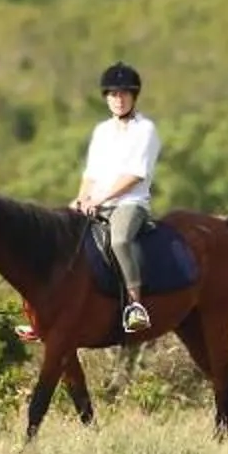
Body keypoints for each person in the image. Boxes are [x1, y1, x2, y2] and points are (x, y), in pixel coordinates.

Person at [72, 61, 160, 335]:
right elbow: (91, 172)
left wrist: (99, 199)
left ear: (134, 96)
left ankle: (135, 305)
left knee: (120, 240)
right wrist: (80, 199)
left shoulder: (145, 130)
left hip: (130, 204)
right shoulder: (101, 131)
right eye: (113, 94)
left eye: (123, 94)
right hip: (97, 201)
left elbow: (135, 175)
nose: (118, 99)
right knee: (60, 235)